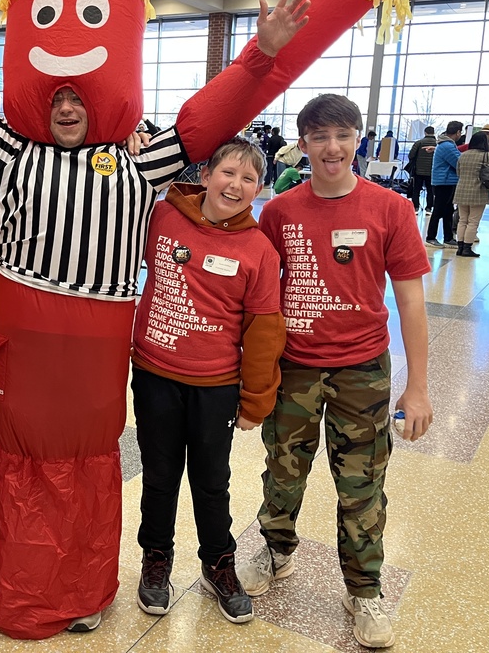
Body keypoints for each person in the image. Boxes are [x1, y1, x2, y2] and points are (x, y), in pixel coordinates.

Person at [0, 0, 312, 639]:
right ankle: (26, 592)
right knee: (25, 459)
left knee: (90, 460)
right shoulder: (9, 151)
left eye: (76, 100)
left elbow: (209, 117)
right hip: (25, 335)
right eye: (54, 99)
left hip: (96, 341)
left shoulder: (139, 161)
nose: (65, 107)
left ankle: (85, 588)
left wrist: (261, 55)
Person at [238, 93, 433, 650]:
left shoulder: (390, 208)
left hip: (362, 370)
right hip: (293, 367)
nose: (332, 148)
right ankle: (277, 550)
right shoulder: (277, 212)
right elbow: (257, 298)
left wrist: (416, 387)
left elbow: (412, 302)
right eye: (320, 137)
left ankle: (364, 587)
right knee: (283, 469)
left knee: (363, 484)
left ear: (358, 139)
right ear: (302, 145)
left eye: (343, 135)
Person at [131, 140, 284, 623]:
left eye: (248, 179)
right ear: (206, 175)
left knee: (212, 481)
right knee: (158, 476)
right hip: (155, 374)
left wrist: (256, 397)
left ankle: (219, 564)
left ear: (258, 190)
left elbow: (263, 328)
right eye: (228, 173)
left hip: (216, 384)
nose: (235, 185)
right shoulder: (162, 218)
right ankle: (155, 561)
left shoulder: (259, 249)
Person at [453, 131, 489, 258]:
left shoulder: (462, 155)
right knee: (473, 221)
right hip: (478, 191)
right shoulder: (487, 155)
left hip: (461, 190)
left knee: (462, 220)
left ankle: (460, 247)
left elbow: (458, 172)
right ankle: (467, 248)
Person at [425, 121, 463, 247]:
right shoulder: (448, 145)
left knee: (448, 210)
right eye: (460, 132)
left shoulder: (445, 144)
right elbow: (459, 162)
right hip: (444, 182)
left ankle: (448, 237)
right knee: (439, 210)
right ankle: (431, 237)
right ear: (457, 132)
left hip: (446, 181)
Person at [406, 126, 437, 212]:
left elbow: (411, 155)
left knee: (416, 189)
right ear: (433, 132)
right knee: (430, 191)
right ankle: (429, 208)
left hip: (418, 171)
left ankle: (416, 207)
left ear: (425, 133)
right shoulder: (437, 144)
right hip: (432, 172)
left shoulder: (419, 143)